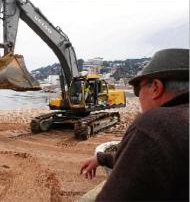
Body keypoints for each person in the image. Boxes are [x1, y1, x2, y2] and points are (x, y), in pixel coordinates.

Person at [80, 48, 189, 201]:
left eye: (138, 89)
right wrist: (101, 158)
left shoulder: (155, 124)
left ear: (156, 87)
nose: (138, 96)